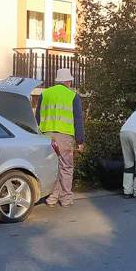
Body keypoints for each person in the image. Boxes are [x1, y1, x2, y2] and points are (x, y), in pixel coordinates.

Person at [36, 68, 84, 207]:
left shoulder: (44, 94)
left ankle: (51, 198)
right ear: (68, 81)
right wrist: (80, 141)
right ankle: (66, 199)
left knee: (51, 167)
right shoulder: (72, 96)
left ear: (57, 80)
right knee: (66, 167)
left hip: (45, 136)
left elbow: (37, 118)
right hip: (64, 136)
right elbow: (78, 120)